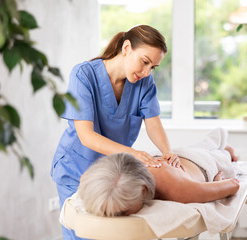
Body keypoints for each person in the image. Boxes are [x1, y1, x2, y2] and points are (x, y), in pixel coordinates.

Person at [51, 25, 179, 240]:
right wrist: (133, 153)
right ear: (127, 48)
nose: (147, 72)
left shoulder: (144, 82)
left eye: (153, 67)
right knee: (83, 235)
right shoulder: (84, 75)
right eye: (145, 62)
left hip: (113, 176)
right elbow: (86, 135)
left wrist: (167, 151)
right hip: (75, 170)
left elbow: (153, 123)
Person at [77, 145, 240, 217]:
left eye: (121, 213)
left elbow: (233, 185)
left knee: (223, 155)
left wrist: (216, 182)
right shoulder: (100, 179)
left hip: (201, 161)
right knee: (203, 144)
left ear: (143, 190)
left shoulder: (178, 190)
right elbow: (86, 180)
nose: (114, 218)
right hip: (165, 156)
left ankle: (227, 150)